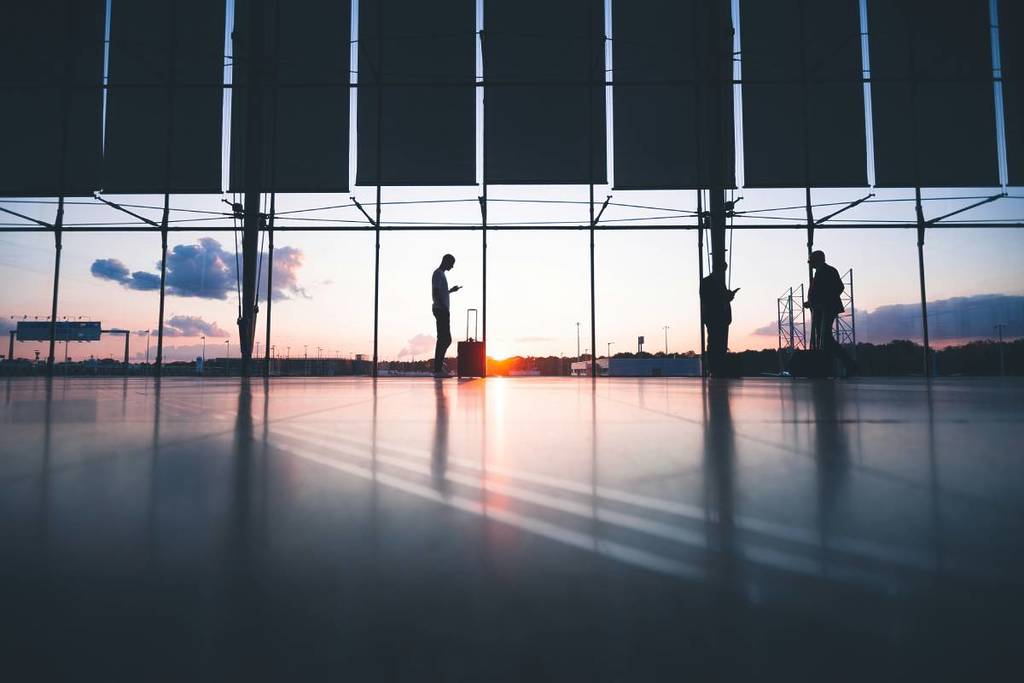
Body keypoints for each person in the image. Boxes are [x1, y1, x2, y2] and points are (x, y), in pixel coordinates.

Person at [804, 250, 856, 376]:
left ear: (818, 260)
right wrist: (812, 302)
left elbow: (839, 287)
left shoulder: (828, 271)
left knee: (825, 338)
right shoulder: (822, 272)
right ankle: (835, 365)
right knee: (824, 338)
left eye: (811, 261)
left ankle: (848, 364)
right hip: (821, 309)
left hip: (826, 309)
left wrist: (823, 301)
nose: (810, 264)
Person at [700, 263, 739, 377]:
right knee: (714, 343)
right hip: (714, 317)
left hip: (722, 318)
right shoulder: (707, 282)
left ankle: (718, 368)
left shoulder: (716, 282)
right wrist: (726, 297)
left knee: (720, 344)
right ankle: (714, 369)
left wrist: (728, 297)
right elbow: (706, 299)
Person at [431, 254, 461, 378]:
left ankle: (438, 366)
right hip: (441, 309)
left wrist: (450, 291)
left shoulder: (441, 274)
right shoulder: (438, 274)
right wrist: (442, 306)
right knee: (444, 339)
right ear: (446, 261)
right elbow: (436, 292)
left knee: (444, 338)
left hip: (441, 309)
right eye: (451, 263)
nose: (452, 266)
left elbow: (440, 291)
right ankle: (437, 369)